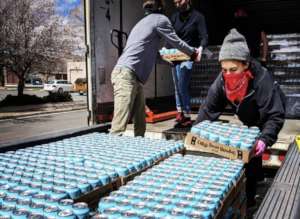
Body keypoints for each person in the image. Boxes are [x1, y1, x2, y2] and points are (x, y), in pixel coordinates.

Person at [194, 29, 285, 207]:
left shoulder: (261, 79)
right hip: (247, 114)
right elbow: (208, 109)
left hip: (266, 111)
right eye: (224, 69)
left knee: (252, 153)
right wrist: (196, 135)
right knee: (248, 143)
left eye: (233, 69)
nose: (228, 74)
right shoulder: (222, 81)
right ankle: (256, 177)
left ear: (246, 64)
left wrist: (264, 140)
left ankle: (250, 202)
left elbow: (275, 115)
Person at [110, 0, 202, 137]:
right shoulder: (161, 20)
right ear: (161, 8)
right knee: (118, 127)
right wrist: (193, 53)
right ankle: (112, 155)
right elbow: (175, 41)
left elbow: (152, 54)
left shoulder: (142, 23)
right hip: (126, 75)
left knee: (140, 122)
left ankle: (139, 150)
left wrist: (169, 62)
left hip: (133, 77)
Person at [170, 0, 208, 127]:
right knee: (176, 85)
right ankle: (180, 111)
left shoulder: (198, 17)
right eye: (175, 2)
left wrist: (201, 48)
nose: (177, 4)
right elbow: (169, 35)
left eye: (179, 1)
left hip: (188, 55)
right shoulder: (174, 17)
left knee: (182, 84)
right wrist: (166, 50)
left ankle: (186, 113)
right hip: (175, 55)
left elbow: (204, 36)